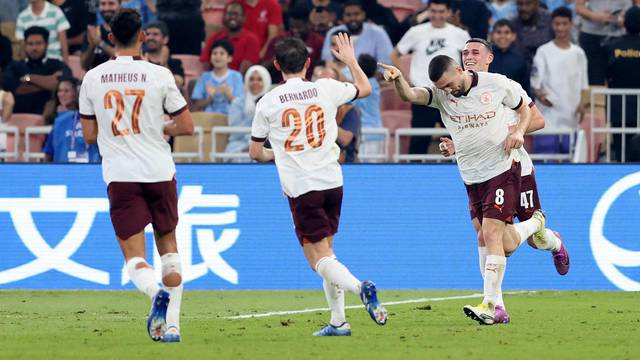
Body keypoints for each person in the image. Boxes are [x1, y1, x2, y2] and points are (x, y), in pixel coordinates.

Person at [380, 55, 551, 325]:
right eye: (443, 88)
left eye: (450, 85)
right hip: (471, 176)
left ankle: (491, 305)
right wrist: (399, 79)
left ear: (460, 70)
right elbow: (410, 95)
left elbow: (525, 109)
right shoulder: (441, 94)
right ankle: (535, 225)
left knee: (492, 233)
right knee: (493, 240)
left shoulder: (495, 84)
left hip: (502, 169)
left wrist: (518, 132)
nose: (448, 92)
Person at [249, 35, 388, 336]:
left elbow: (255, 152)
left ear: (276, 66)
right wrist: (350, 60)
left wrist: (279, 153)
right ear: (308, 63)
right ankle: (338, 321)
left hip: (302, 186)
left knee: (318, 259)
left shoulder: (268, 102)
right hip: (332, 182)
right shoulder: (325, 88)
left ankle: (360, 288)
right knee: (329, 252)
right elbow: (364, 88)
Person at [79, 8, 194, 342]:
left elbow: (88, 135)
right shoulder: (160, 75)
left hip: (121, 174)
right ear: (143, 36)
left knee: (134, 256)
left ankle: (153, 292)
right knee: (169, 248)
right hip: (159, 169)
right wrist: (157, 126)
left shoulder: (93, 77)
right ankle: (172, 326)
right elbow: (186, 126)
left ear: (111, 38)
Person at [440, 38, 570, 323]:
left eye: (475, 52)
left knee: (531, 242)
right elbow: (472, 133)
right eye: (464, 53)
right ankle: (495, 305)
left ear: (489, 58)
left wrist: (513, 130)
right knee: (488, 235)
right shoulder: (459, 93)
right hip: (482, 172)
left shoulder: (502, 85)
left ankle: (553, 241)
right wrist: (455, 144)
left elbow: (537, 120)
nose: (469, 57)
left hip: (516, 169)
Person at [392, 0, 470, 156]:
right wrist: (406, 79)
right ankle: (413, 177)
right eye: (433, 11)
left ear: (448, 12)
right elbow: (395, 55)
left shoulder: (460, 34)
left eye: (441, 11)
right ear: (428, 11)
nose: (437, 15)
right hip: (423, 93)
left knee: (458, 141)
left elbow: (469, 61)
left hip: (451, 94)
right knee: (418, 143)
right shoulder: (416, 31)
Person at [531, 7, 588, 154]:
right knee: (545, 161)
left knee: (570, 161)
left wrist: (582, 104)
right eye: (557, 24)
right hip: (548, 117)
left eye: (564, 24)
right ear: (552, 25)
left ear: (571, 24)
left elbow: (583, 83)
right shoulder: (543, 51)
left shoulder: (579, 53)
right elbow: (535, 81)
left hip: (571, 117)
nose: (560, 28)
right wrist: (540, 94)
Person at [2, 26, 71, 115]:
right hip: (17, 118)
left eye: (38, 43)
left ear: (46, 44)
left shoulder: (57, 64)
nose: (34, 48)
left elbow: (63, 84)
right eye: (30, 44)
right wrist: (49, 83)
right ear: (25, 45)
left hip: (50, 119)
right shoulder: (13, 66)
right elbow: (19, 89)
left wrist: (29, 78)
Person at [606, 5, 640, 161]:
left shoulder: (611, 46)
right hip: (631, 106)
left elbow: (606, 74)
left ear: (625, 23)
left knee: (621, 150)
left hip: (619, 107)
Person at [43, 77, 100, 162]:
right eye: (60, 91)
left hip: (90, 168)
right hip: (63, 168)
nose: (62, 94)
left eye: (66, 91)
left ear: (76, 93)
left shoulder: (95, 118)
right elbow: (49, 152)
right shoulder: (58, 120)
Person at [321, 0, 393, 66]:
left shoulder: (378, 32)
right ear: (343, 16)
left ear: (363, 14)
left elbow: (386, 63)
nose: (353, 18)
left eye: (356, 14)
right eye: (348, 15)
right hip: (338, 76)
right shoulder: (333, 32)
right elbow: (327, 59)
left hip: (371, 78)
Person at [576, 0, 629, 86]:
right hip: (592, 35)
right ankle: (596, 99)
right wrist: (593, 16)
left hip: (620, 36)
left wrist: (626, 17)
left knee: (620, 78)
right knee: (594, 79)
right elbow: (579, 7)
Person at [199, 2, 261, 74]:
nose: (232, 17)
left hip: (239, 82)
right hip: (214, 80)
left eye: (236, 14)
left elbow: (245, 69)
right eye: (229, 14)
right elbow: (206, 64)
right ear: (224, 16)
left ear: (244, 18)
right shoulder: (213, 39)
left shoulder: (251, 40)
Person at [224, 64, 272, 157]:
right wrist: (255, 113)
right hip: (240, 143)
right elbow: (234, 132)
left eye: (259, 79)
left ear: (266, 81)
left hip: (267, 143)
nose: (255, 83)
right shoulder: (237, 103)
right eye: (251, 79)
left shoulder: (273, 102)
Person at [192, 39, 244, 114]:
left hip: (230, 118)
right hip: (208, 119)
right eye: (214, 53)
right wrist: (209, 98)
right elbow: (196, 104)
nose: (217, 56)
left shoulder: (236, 76)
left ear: (230, 58)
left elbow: (241, 104)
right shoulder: (204, 77)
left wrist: (229, 96)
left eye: (222, 54)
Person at [353, 53, 383, 159]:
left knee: (366, 168)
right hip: (377, 130)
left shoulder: (361, 87)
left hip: (366, 133)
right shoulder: (375, 84)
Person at [511, 0, 553, 75]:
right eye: (520, 4)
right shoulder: (512, 23)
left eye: (528, 4)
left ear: (536, 4)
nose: (523, 8)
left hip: (549, 69)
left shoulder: (550, 19)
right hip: (522, 71)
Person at [489, 19, 530, 96]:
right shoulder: (485, 55)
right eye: (499, 32)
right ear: (492, 35)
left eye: (507, 32)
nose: (502, 36)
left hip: (513, 103)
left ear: (513, 36)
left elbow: (525, 85)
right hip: (488, 101)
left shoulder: (520, 58)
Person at [142, 21, 185, 88]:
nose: (150, 37)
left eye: (155, 34)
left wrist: (164, 64)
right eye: (147, 34)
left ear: (165, 39)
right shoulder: (139, 60)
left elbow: (177, 85)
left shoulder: (175, 63)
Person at [81, 0, 121, 70]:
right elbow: (84, 65)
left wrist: (100, 43)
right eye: (103, 4)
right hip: (95, 78)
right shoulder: (93, 31)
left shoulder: (127, 30)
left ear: (120, 5)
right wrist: (92, 46)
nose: (106, 8)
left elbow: (122, 58)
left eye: (111, 3)